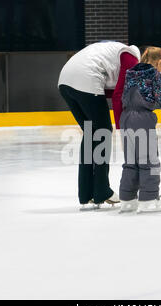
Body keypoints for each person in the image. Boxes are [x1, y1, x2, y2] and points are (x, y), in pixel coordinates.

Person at [58, 41, 141, 209]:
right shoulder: (132, 60)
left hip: (65, 82)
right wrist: (121, 127)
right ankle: (102, 190)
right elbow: (118, 95)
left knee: (91, 133)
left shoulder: (115, 53)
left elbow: (111, 91)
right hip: (86, 79)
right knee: (103, 131)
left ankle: (86, 193)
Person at [119, 47, 161, 213]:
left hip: (125, 118)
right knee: (149, 160)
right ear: (159, 63)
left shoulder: (130, 72)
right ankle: (149, 199)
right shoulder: (155, 74)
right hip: (142, 119)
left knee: (130, 161)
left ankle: (127, 199)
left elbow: (122, 95)